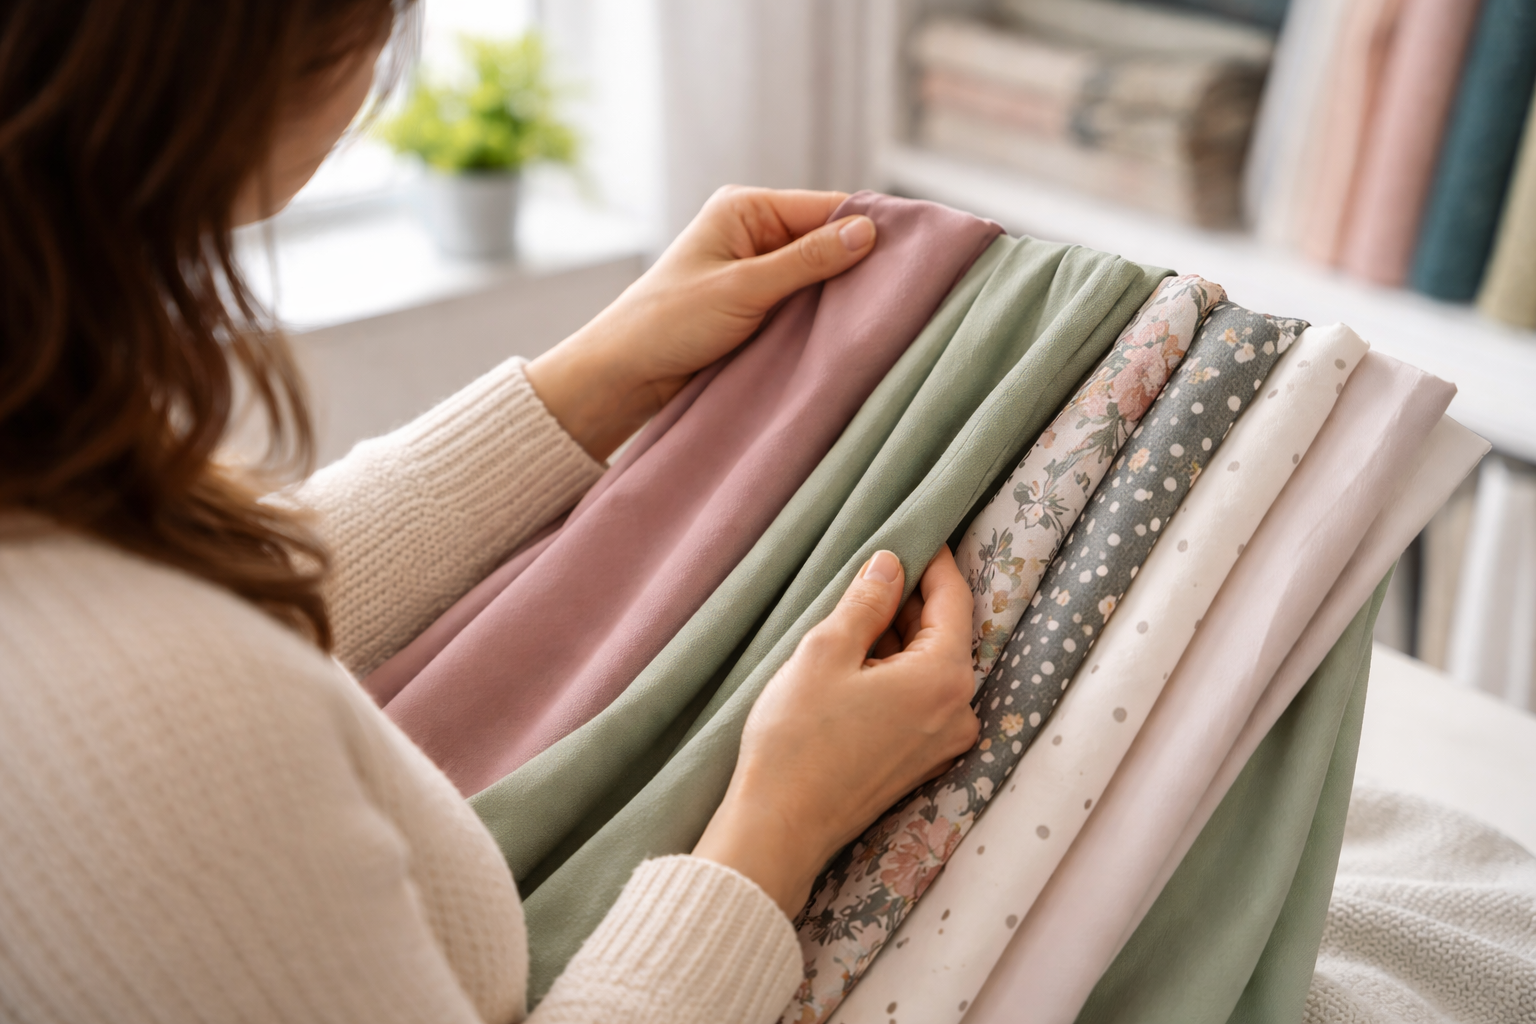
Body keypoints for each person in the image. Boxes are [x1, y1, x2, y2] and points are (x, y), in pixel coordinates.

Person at [0, 2, 980, 1023]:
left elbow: (168, 615)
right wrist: (779, 824)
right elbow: (160, 687)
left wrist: (590, 381)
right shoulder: (158, 730)